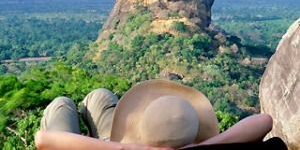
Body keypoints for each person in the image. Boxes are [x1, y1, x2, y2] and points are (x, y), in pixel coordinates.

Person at [35, 79, 276, 150]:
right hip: (140, 140)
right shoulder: (193, 141)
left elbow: (43, 140)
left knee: (62, 104)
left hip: (115, 144)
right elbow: (264, 121)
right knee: (101, 96)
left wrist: (127, 148)